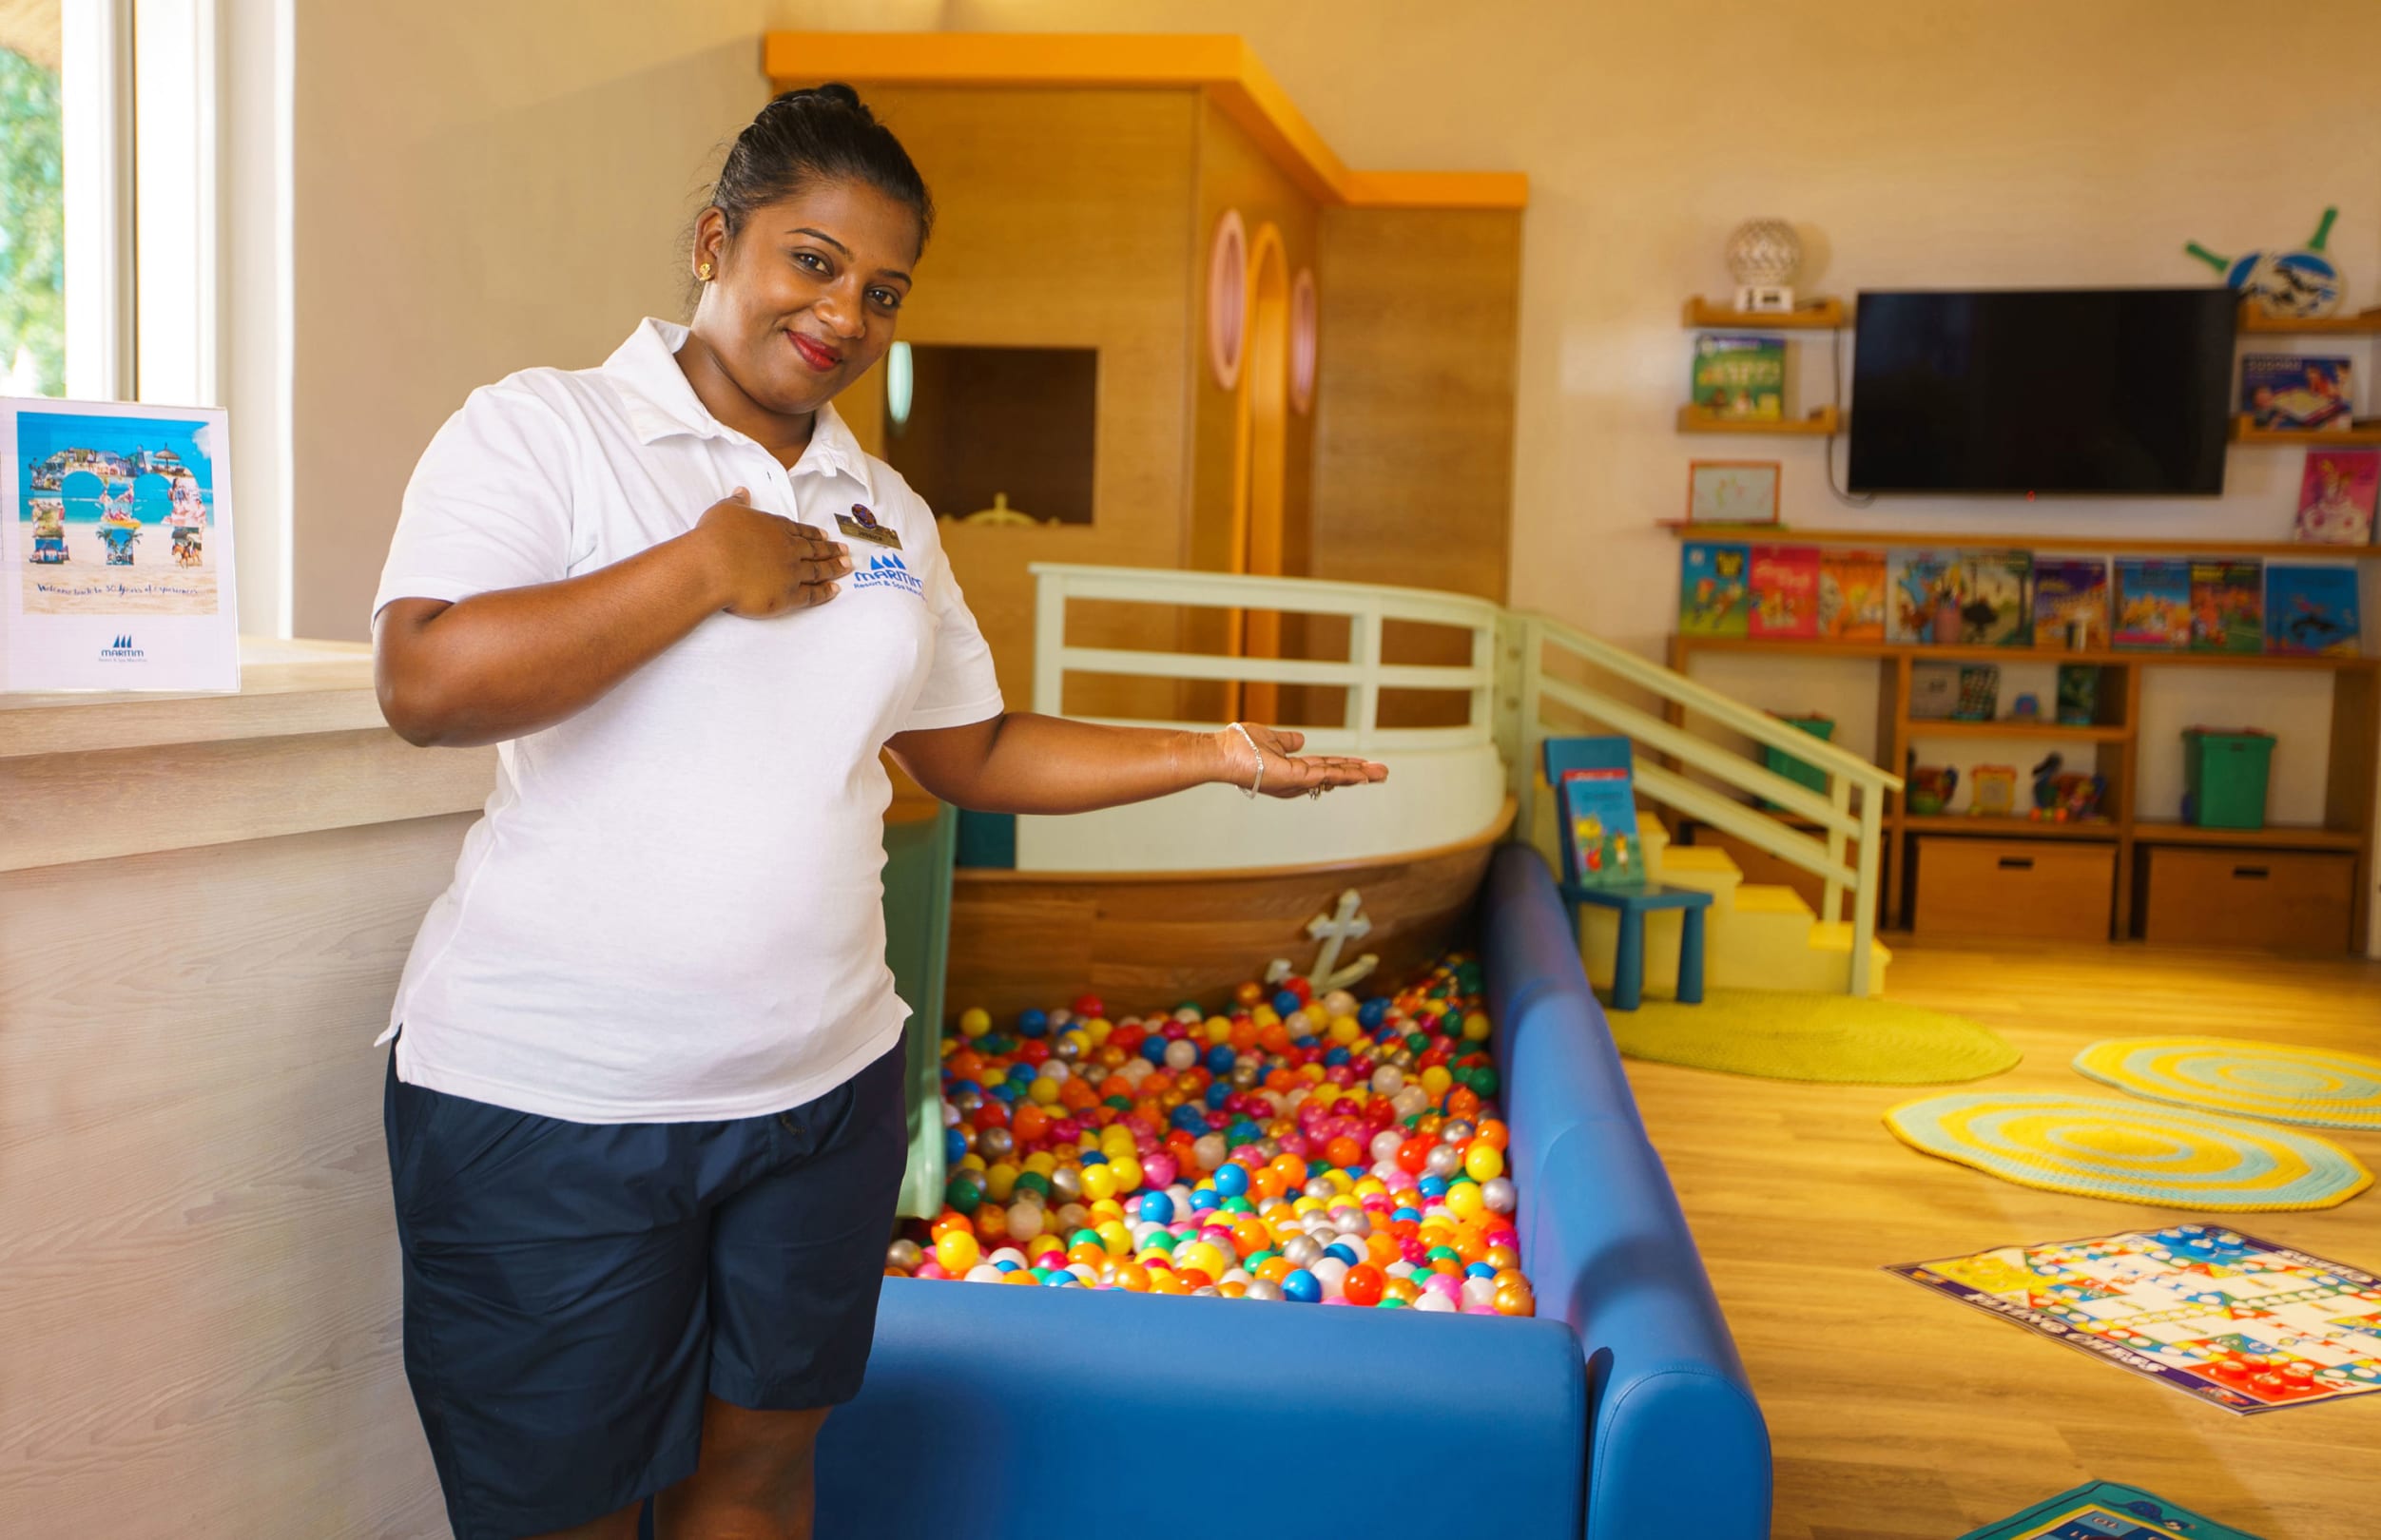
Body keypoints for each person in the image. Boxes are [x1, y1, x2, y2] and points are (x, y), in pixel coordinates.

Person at [369, 84, 1384, 1540]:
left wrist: (1214, 753)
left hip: (820, 1091)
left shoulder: (883, 508)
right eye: (815, 261)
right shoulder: (547, 429)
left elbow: (975, 749)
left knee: (761, 1478)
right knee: (564, 1515)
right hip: (560, 1100)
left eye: (884, 291)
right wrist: (700, 569)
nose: (846, 313)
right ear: (716, 242)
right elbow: (424, 681)